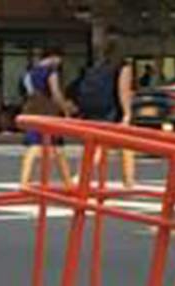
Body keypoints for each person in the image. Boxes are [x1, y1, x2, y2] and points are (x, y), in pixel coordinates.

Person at [74, 37, 137, 188]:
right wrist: (127, 113)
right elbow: (123, 91)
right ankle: (127, 180)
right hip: (113, 109)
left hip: (96, 109)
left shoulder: (98, 67)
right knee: (118, 145)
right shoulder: (123, 66)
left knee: (101, 144)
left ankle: (128, 179)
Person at [18, 48, 76, 188]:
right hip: (48, 111)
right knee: (57, 146)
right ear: (54, 57)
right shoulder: (51, 71)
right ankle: (67, 182)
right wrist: (66, 108)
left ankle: (24, 181)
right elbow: (55, 93)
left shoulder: (29, 73)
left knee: (33, 145)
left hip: (32, 109)